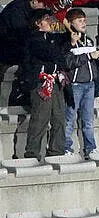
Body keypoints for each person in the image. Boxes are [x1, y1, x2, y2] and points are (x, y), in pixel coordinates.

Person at [61, 7, 99, 160]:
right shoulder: (65, 42)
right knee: (69, 118)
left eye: (84, 20)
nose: (83, 23)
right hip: (75, 85)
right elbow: (68, 63)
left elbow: (91, 60)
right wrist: (87, 54)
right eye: (79, 21)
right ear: (70, 23)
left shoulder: (88, 39)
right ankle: (66, 147)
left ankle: (90, 148)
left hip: (89, 84)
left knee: (88, 120)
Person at [21, 9, 68, 159]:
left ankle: (57, 152)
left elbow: (63, 57)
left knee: (59, 118)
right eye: (46, 19)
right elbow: (51, 54)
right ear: (37, 23)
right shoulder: (34, 39)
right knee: (40, 119)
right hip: (41, 83)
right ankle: (32, 153)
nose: (50, 21)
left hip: (55, 82)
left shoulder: (52, 38)